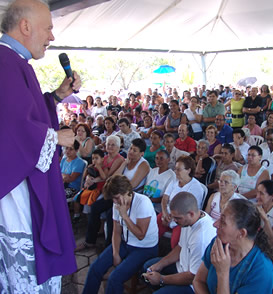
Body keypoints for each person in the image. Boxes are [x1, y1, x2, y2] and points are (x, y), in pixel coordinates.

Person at [0, 0, 82, 290]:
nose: (52, 37)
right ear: (25, 26)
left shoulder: (14, 63)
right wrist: (54, 137)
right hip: (15, 191)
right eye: (48, 28)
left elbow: (23, 114)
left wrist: (56, 96)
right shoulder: (6, 63)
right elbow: (10, 129)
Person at [82, 175, 158, 294]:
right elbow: (116, 231)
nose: (115, 202)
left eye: (116, 198)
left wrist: (125, 216)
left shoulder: (143, 202)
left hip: (144, 248)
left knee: (114, 278)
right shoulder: (117, 203)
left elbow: (140, 235)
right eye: (113, 199)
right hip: (126, 242)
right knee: (94, 269)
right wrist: (116, 253)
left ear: (127, 192)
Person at [193, 199, 273, 294]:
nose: (215, 224)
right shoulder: (219, 243)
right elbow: (198, 281)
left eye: (223, 222)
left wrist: (222, 273)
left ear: (241, 233)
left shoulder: (261, 271)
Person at [143, 192, 216, 294]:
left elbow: (193, 276)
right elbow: (180, 247)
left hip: (192, 284)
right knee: (148, 267)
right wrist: (159, 265)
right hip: (181, 267)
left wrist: (161, 279)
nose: (174, 221)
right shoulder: (188, 220)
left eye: (177, 218)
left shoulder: (201, 237)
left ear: (191, 213)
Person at [158, 156, 204, 248]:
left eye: (179, 170)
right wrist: (164, 213)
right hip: (168, 214)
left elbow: (188, 209)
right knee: (153, 230)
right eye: (175, 169)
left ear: (188, 170)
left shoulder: (196, 187)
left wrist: (173, 218)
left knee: (176, 243)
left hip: (182, 219)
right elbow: (165, 198)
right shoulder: (174, 181)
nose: (176, 172)